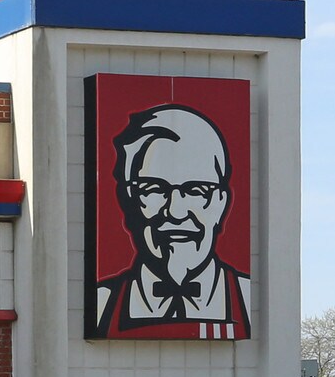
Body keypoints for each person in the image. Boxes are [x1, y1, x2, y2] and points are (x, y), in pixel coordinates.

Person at [91, 103, 250, 338]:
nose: (176, 212)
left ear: (221, 202)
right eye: (154, 189)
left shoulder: (249, 299)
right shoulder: (102, 303)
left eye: (197, 190)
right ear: (128, 200)